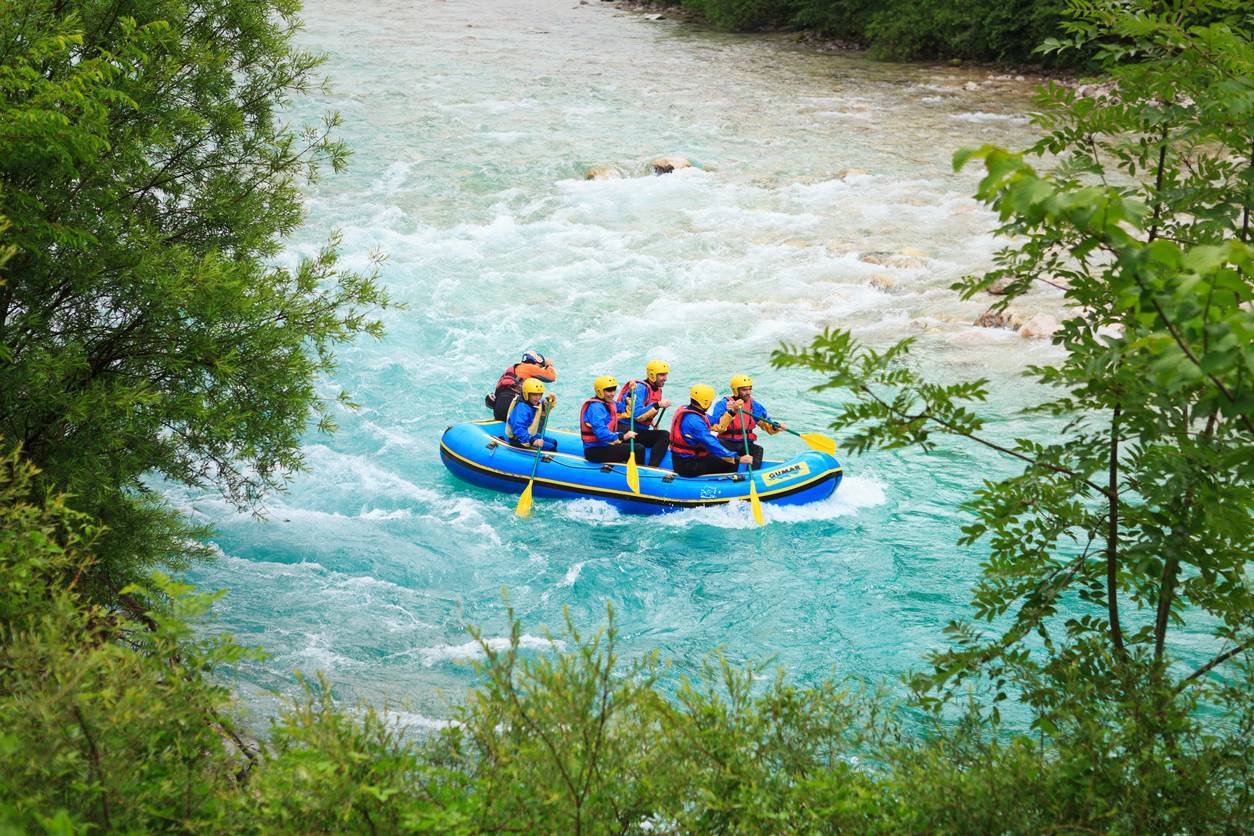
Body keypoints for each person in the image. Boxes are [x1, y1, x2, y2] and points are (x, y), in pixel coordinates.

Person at [581, 375, 669, 466]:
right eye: (609, 390)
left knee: (655, 439)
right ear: (599, 391)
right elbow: (601, 434)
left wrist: (630, 393)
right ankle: (640, 474)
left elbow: (625, 408)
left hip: (607, 444)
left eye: (614, 389)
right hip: (595, 450)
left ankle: (648, 467)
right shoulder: (595, 408)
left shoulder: (610, 403)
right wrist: (623, 437)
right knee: (638, 448)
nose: (612, 393)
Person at [669, 384, 753, 477]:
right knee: (729, 462)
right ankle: (727, 483)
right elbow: (710, 443)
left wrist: (733, 411)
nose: (710, 403)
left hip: (687, 458)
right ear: (704, 402)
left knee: (724, 446)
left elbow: (717, 423)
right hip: (687, 465)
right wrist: (737, 458)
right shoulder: (694, 422)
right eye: (710, 401)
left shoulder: (692, 411)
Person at [710, 373, 783, 469]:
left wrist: (775, 426)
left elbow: (766, 424)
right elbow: (718, 427)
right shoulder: (723, 405)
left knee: (758, 450)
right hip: (727, 442)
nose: (748, 392)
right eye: (744, 390)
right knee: (723, 455)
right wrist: (732, 411)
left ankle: (752, 477)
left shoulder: (754, 405)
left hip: (746, 444)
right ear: (735, 391)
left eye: (749, 389)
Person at [613, 359, 672, 467]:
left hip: (640, 429)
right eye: (662, 375)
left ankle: (652, 466)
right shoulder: (640, 389)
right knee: (638, 440)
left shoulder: (657, 389)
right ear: (652, 375)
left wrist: (651, 422)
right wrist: (657, 405)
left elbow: (646, 410)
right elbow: (636, 414)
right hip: (625, 427)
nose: (665, 378)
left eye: (666, 375)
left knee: (665, 435)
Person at [487, 350, 556, 421]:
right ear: (534, 362)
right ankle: (534, 427)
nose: (540, 369)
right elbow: (551, 377)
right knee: (542, 403)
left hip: (498, 410)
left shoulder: (513, 369)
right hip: (512, 408)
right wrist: (549, 365)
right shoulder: (529, 367)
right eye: (540, 367)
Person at [505, 378, 558, 451]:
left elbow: (541, 405)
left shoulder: (532, 402)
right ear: (527, 394)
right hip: (520, 439)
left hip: (530, 434)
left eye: (540, 394)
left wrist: (548, 402)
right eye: (534, 395)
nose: (538, 397)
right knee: (551, 447)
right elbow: (518, 428)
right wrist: (533, 441)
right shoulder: (522, 408)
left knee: (554, 442)